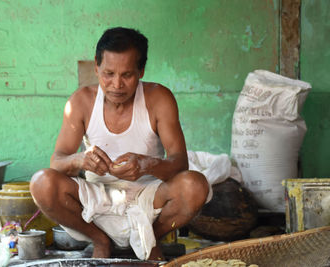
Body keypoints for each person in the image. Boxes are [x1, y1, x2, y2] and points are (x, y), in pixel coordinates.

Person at [30, 27, 209, 260]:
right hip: (97, 199)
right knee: (41, 183)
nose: (116, 85)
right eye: (108, 73)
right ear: (96, 66)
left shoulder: (159, 98)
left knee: (195, 186)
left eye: (127, 75)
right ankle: (99, 239)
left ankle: (148, 238)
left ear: (141, 70)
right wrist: (80, 160)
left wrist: (148, 165)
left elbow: (180, 162)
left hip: (149, 196)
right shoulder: (81, 101)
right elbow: (57, 162)